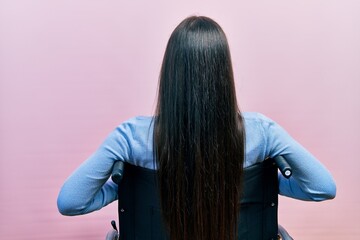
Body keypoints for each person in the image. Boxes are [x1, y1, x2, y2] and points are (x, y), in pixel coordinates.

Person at [57, 16, 336, 240]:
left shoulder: (130, 137)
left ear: (170, 73)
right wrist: (258, 186)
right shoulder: (262, 132)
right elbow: (322, 188)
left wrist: (126, 189)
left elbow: (71, 203)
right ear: (224, 74)